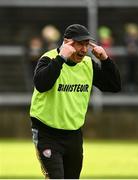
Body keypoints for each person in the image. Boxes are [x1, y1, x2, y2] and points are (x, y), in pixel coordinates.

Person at [30, 24, 121, 179]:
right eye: (80, 44)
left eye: (86, 44)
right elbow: (41, 84)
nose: (84, 49)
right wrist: (61, 58)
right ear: (67, 42)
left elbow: (114, 85)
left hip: (73, 135)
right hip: (47, 133)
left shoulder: (88, 64)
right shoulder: (49, 59)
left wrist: (105, 60)